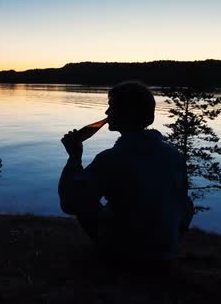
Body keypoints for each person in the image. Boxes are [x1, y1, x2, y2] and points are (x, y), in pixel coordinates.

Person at [59, 82, 193, 268]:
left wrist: (74, 158)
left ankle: (111, 257)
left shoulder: (111, 159)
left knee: (84, 202)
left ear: (128, 113)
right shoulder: (174, 154)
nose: (106, 113)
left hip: (127, 257)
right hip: (165, 254)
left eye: (112, 107)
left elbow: (69, 203)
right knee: (187, 202)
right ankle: (162, 251)